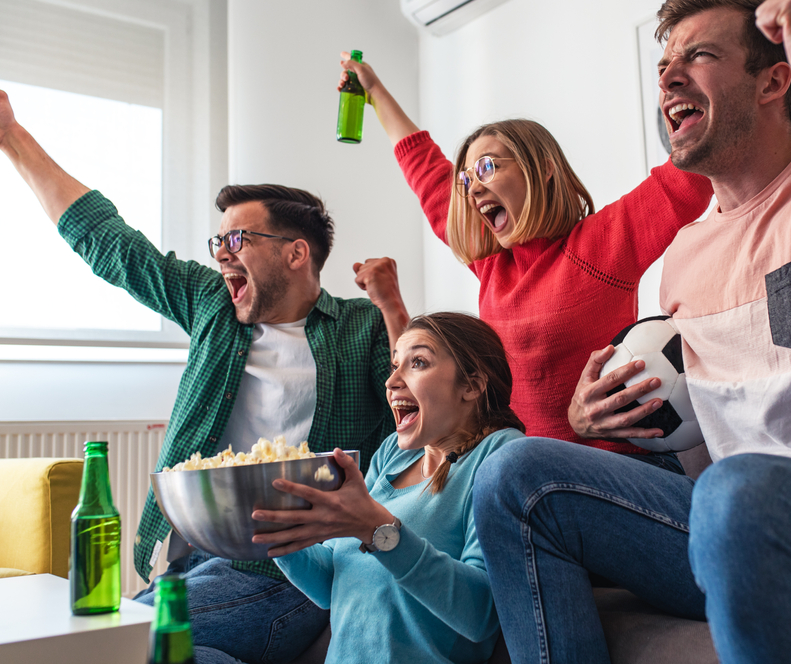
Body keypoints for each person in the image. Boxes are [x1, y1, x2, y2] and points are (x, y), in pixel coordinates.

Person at [472, 0, 791, 662]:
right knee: (512, 472)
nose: (666, 78)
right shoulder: (684, 259)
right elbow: (702, 454)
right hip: (742, 526)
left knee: (739, 490)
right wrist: (606, 421)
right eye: (663, 63)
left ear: (774, 80)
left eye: (698, 56)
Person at [0, 90, 406, 663]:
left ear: (296, 254)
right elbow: (111, 243)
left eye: (237, 239)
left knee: (115, 644)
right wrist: (12, 137)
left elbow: (419, 410)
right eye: (218, 241)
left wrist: (392, 307)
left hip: (292, 565)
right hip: (194, 546)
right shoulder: (212, 304)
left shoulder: (360, 328)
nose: (221, 254)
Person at [336, 56, 714, 470]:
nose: (472, 187)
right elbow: (426, 172)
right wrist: (373, 90)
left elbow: (689, 176)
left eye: (486, 167)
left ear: (544, 169)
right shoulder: (493, 265)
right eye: (465, 180)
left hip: (613, 470)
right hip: (524, 473)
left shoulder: (599, 247)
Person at [249, 312, 526, 663]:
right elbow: (330, 586)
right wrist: (275, 528)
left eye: (418, 363)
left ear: (471, 385)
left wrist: (378, 530)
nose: (392, 380)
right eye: (395, 365)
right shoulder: (392, 454)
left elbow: (481, 614)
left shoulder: (501, 455)